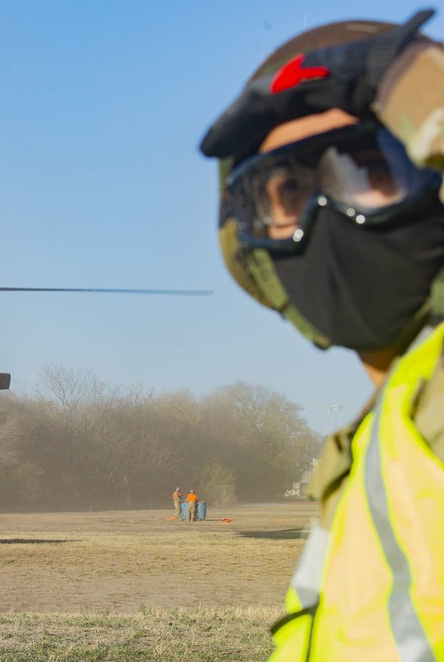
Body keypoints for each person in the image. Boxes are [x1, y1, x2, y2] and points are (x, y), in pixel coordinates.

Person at [200, 9, 444, 659]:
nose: (329, 217)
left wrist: (423, 85)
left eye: (371, 168)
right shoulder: (375, 447)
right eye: (287, 192)